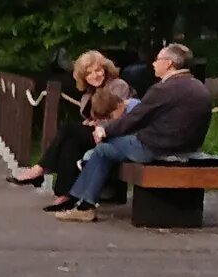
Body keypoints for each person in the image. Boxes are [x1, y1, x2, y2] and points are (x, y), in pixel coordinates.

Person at [55, 42, 211, 220]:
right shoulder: (199, 87)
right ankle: (84, 199)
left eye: (157, 59)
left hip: (156, 148)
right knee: (106, 149)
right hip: (188, 148)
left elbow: (136, 118)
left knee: (102, 149)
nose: (153, 63)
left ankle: (84, 205)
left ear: (168, 63)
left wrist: (105, 130)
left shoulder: (163, 89)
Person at [12, 51, 132, 204]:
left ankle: (40, 169)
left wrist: (98, 124)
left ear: (105, 69)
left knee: (68, 130)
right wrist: (91, 121)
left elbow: (119, 115)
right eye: (89, 73)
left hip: (115, 134)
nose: (94, 75)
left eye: (98, 70)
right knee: (70, 144)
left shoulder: (118, 85)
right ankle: (65, 194)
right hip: (98, 133)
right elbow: (94, 115)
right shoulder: (89, 92)